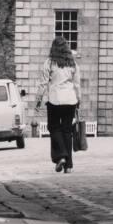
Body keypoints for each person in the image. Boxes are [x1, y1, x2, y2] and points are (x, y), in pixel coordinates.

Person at [35, 37, 81, 174]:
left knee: (53, 127)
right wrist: (79, 99)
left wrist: (38, 101)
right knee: (67, 131)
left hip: (55, 100)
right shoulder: (73, 63)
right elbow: (77, 84)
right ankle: (69, 166)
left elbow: (43, 84)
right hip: (70, 100)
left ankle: (61, 156)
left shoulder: (49, 63)